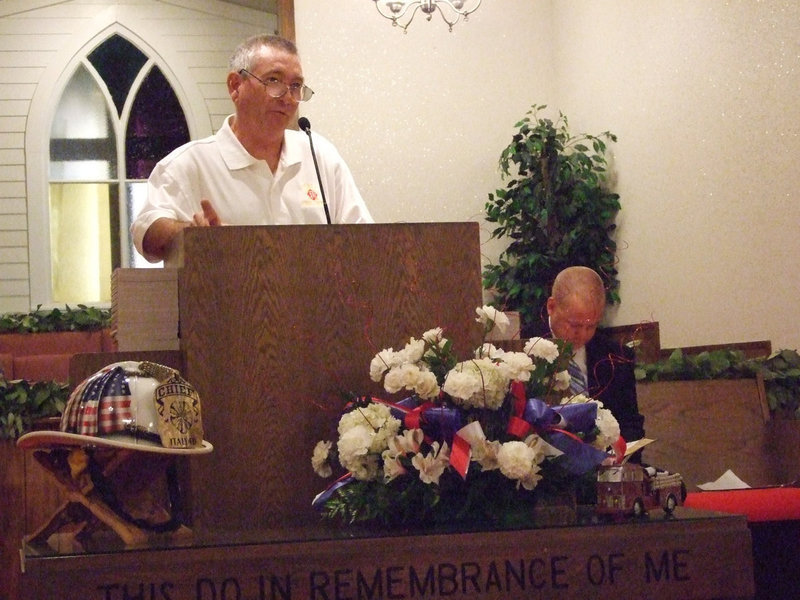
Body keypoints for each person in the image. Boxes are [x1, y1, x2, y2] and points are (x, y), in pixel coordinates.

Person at [131, 34, 373, 263]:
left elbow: (364, 240)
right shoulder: (189, 163)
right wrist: (193, 237)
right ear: (236, 86)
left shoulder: (319, 155)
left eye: (296, 85)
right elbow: (147, 235)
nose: (287, 98)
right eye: (274, 80)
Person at [547, 266, 646, 459]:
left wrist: (615, 456)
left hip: (605, 467)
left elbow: (630, 424)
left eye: (591, 326)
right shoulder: (523, 350)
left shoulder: (616, 356)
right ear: (551, 307)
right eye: (574, 325)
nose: (582, 334)